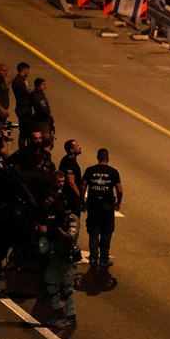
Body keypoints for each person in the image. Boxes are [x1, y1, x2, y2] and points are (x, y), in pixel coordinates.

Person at [43, 171, 79, 329]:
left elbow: (69, 238)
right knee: (49, 281)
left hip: (67, 256)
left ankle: (71, 316)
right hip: (56, 254)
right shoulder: (58, 218)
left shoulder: (72, 220)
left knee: (66, 287)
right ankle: (58, 309)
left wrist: (56, 227)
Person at [81, 148, 122, 269]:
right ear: (107, 157)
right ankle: (104, 258)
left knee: (93, 232)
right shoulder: (113, 172)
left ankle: (93, 258)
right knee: (106, 231)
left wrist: (82, 201)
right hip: (107, 206)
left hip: (93, 205)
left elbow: (83, 187)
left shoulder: (90, 170)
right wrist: (118, 202)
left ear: (97, 157)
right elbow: (119, 190)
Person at [59, 139, 83, 217]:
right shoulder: (69, 162)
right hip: (71, 198)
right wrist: (80, 196)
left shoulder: (70, 160)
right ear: (72, 150)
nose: (80, 147)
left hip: (71, 196)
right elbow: (71, 182)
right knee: (73, 220)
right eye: (77, 146)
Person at [12, 62, 33, 147]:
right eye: (27, 70)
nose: (28, 72)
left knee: (24, 131)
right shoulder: (19, 81)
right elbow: (26, 93)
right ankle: (24, 150)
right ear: (23, 70)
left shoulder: (20, 80)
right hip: (23, 109)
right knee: (26, 131)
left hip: (23, 108)